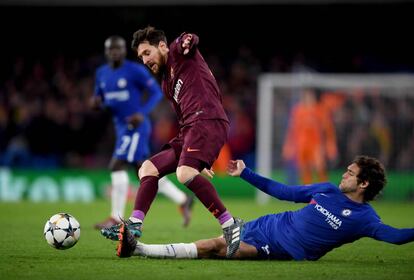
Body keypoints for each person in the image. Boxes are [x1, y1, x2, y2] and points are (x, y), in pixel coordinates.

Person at [101, 27, 244, 258]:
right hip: (191, 129)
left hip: (208, 120)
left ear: (162, 46)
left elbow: (189, 38)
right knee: (147, 168)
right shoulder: (167, 84)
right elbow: (181, 117)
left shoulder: (179, 51)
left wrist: (188, 41)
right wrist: (201, 156)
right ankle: (134, 225)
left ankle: (230, 224)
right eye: (141, 57)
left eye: (147, 53)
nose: (145, 60)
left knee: (184, 173)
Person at [115, 155, 414, 260]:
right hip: (267, 224)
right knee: (217, 245)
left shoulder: (365, 219)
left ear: (363, 185)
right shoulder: (326, 189)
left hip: (281, 248)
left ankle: (140, 249)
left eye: (350, 173)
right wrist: (246, 173)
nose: (344, 174)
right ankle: (138, 248)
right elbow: (284, 191)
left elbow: (396, 236)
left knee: (217, 247)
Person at [91, 35, 194, 229]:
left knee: (117, 165)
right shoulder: (101, 73)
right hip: (120, 127)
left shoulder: (135, 70)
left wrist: (142, 113)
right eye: (111, 49)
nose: (115, 52)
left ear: (123, 51)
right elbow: (99, 98)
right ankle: (182, 199)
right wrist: (96, 103)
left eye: (118, 49)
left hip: (136, 127)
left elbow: (156, 92)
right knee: (146, 171)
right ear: (106, 52)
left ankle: (116, 217)